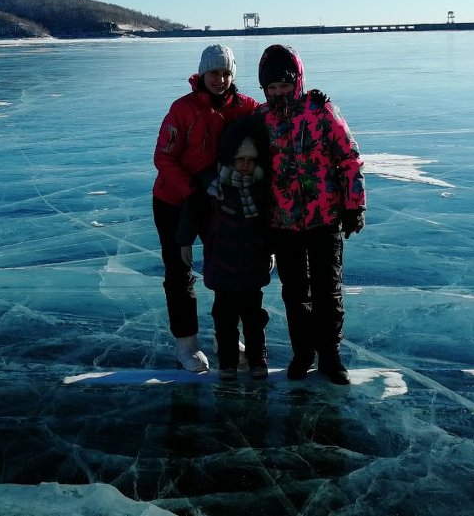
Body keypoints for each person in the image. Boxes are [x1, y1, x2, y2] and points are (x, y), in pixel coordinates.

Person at [255, 44, 366, 385]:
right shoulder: (261, 120)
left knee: (327, 290)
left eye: (285, 86)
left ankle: (330, 356)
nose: (279, 93)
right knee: (294, 293)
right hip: (283, 222)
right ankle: (303, 353)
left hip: (324, 218)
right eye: (272, 88)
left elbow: (349, 157)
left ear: (298, 81)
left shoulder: (321, 111)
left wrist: (354, 204)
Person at [152, 44, 258, 372]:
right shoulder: (182, 109)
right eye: (214, 72)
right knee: (179, 272)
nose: (220, 79)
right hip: (174, 202)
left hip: (219, 204)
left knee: (225, 270)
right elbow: (164, 157)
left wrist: (309, 100)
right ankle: (186, 344)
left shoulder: (246, 108)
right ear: (202, 73)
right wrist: (191, 192)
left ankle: (224, 338)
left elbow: (277, 117)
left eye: (226, 73)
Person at [176, 119, 273, 381]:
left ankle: (257, 361)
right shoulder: (213, 184)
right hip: (222, 262)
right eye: (239, 158)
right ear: (229, 157)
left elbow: (268, 222)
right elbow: (193, 212)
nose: (245, 164)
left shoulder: (260, 187)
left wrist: (271, 250)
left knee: (254, 319)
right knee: (224, 319)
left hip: (253, 262)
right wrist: (185, 240)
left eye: (250, 160)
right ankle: (228, 363)